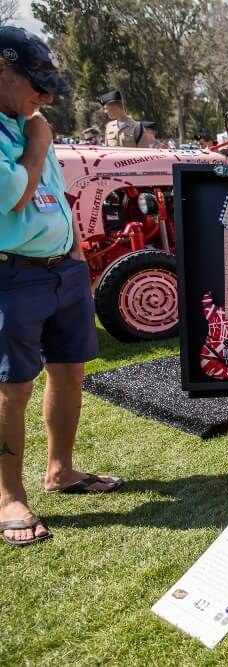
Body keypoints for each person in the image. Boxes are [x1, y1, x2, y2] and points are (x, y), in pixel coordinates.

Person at [0, 28, 123, 548]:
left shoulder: (27, 122)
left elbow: (51, 188)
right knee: (12, 388)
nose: (47, 99)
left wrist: (74, 250)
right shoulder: (34, 132)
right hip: (13, 273)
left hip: (61, 269)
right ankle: (8, 497)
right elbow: (10, 194)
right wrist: (38, 142)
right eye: (38, 85)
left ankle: (61, 470)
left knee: (70, 370)